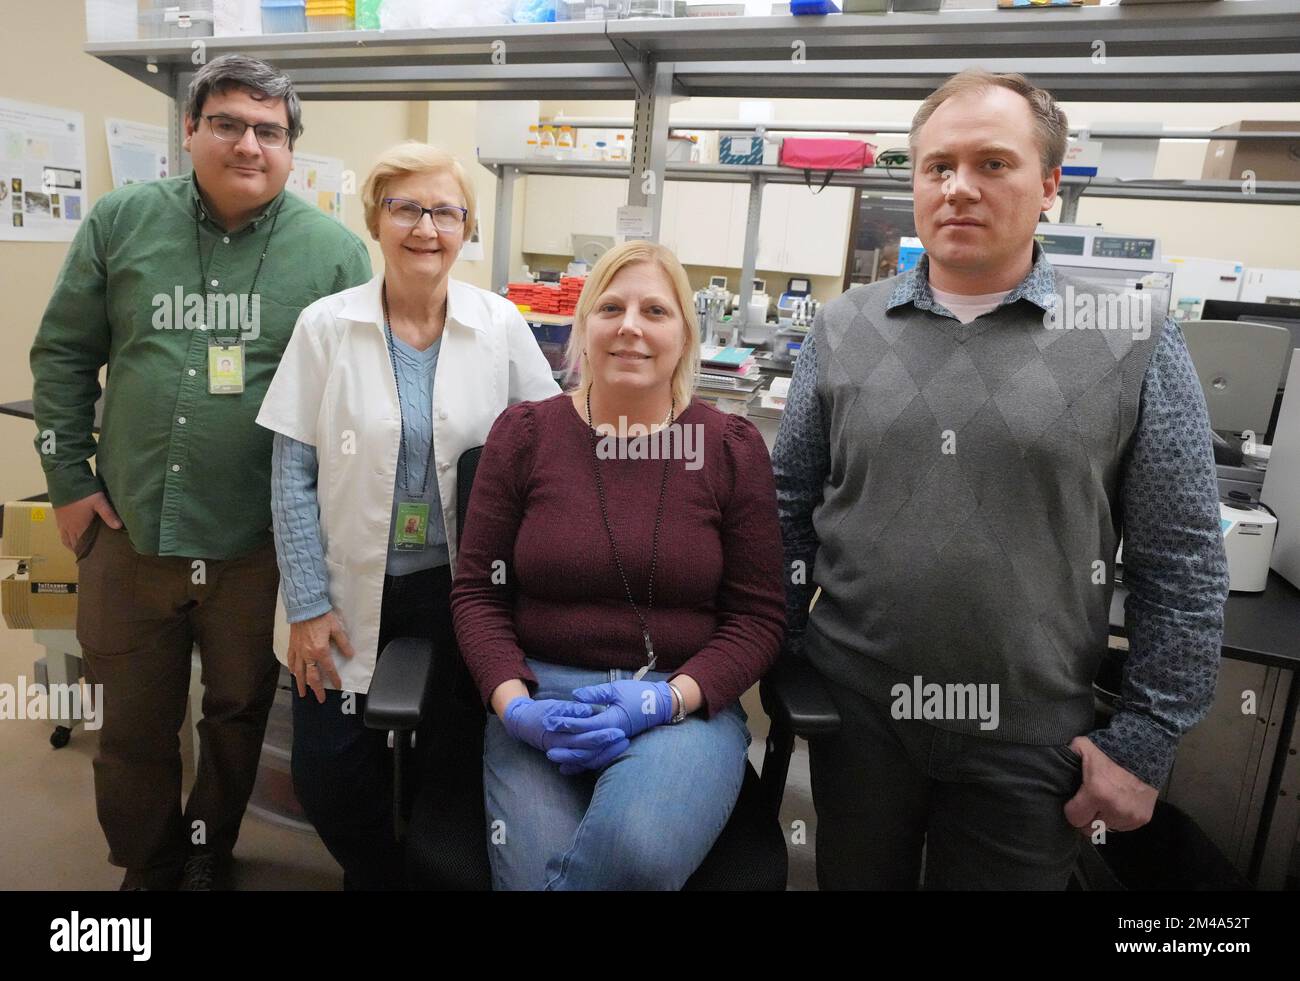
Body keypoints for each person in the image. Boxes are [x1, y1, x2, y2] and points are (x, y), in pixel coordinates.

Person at [772, 68, 1229, 890]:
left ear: (1050, 183)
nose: (958, 188)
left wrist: (1146, 739)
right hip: (861, 720)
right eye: (937, 166)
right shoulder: (844, 327)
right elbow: (785, 510)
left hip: (1027, 737)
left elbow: (1184, 559)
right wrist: (786, 649)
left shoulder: (1130, 337)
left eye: (993, 164)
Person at [29, 54, 372, 891]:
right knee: (134, 722)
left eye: (269, 130)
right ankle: (148, 864)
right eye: (227, 123)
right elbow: (64, 355)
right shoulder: (119, 222)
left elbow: (354, 403)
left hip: (258, 544)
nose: (248, 143)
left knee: (237, 713)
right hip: (129, 529)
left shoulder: (333, 255)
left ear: (291, 149)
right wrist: (69, 481)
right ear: (190, 132)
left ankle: (209, 849)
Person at [256, 142, 559, 890]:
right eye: (406, 208)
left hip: (459, 589)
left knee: (449, 765)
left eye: (445, 211)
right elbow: (291, 474)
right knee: (329, 772)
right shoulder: (326, 327)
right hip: (340, 588)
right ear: (376, 220)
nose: (426, 227)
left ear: (466, 228)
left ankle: (427, 874)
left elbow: (551, 448)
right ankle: (381, 874)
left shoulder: (500, 326)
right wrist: (305, 602)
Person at [451, 240, 786, 890]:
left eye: (654, 310)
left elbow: (759, 618)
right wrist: (514, 706)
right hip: (539, 696)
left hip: (678, 700)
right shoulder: (524, 436)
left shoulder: (729, 449)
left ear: (685, 334)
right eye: (611, 307)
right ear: (584, 327)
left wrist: (667, 698)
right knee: (532, 874)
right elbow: (477, 594)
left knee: (636, 854)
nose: (630, 325)